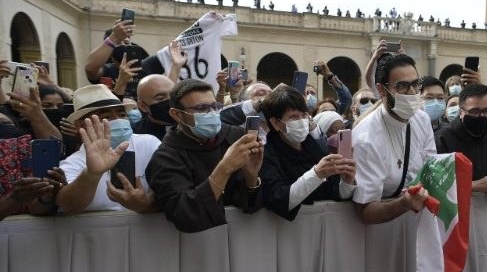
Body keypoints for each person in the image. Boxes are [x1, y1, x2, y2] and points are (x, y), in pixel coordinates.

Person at [146, 79, 263, 232]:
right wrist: (224, 168)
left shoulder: (236, 136)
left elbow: (249, 204)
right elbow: (185, 214)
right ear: (177, 115)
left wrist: (251, 177)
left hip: (241, 236)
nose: (212, 113)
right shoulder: (165, 157)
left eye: (215, 107)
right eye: (201, 108)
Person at [352, 54, 434, 224]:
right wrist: (404, 203)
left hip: (419, 224)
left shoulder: (422, 119)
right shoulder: (366, 137)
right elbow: (366, 211)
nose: (412, 92)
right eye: (402, 86)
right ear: (381, 89)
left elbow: (431, 167)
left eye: (415, 84)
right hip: (379, 231)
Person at [55, 84, 161, 214]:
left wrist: (146, 203)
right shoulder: (74, 163)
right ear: (81, 125)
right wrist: (91, 174)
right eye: (107, 117)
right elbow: (68, 205)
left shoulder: (149, 143)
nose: (118, 120)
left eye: (122, 115)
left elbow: (169, 185)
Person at [259, 86, 355, 221]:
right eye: (293, 117)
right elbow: (279, 199)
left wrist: (347, 181)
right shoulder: (266, 155)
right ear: (276, 123)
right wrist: (316, 174)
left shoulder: (315, 147)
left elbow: (335, 192)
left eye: (304, 115)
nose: (301, 121)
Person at [434, 84, 487, 194]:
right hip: (454, 209)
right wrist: (473, 186)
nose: (482, 116)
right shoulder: (442, 139)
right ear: (461, 112)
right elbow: (435, 184)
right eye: (475, 112)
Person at [132, 74, 176, 140]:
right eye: (161, 98)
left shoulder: (192, 123)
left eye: (173, 95)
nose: (170, 100)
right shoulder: (137, 136)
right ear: (142, 106)